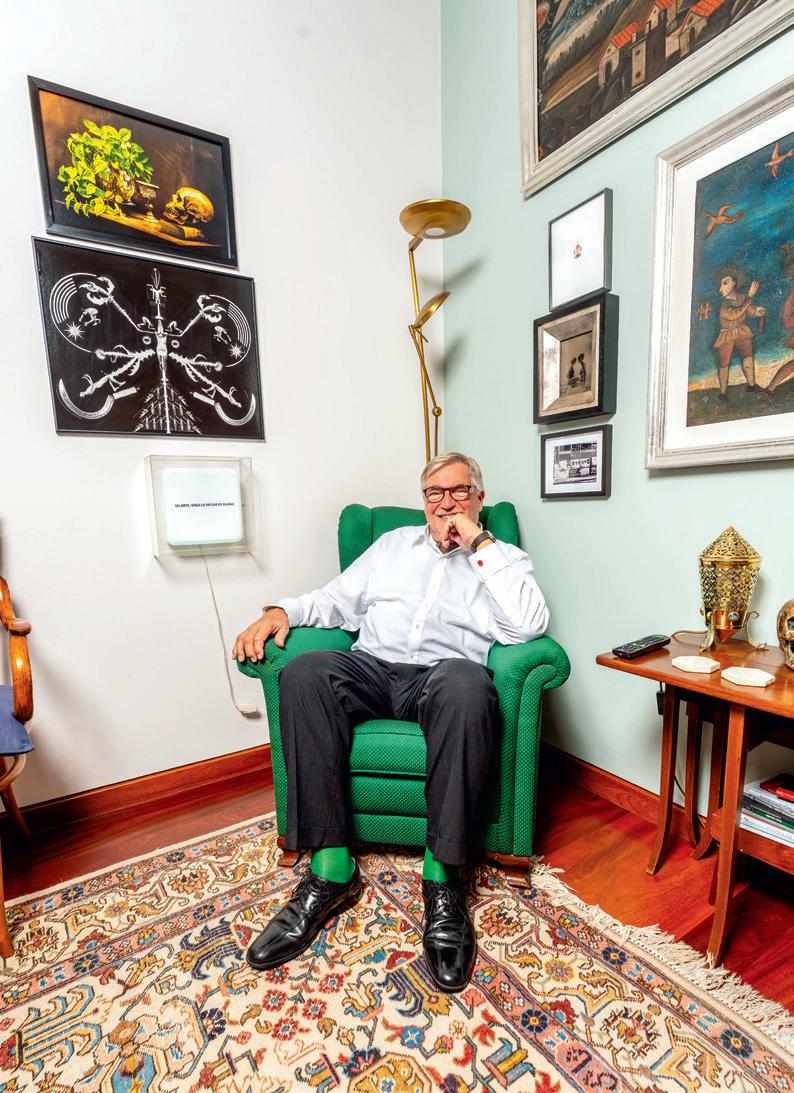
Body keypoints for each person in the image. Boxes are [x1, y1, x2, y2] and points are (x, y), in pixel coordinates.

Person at [232, 452, 549, 992]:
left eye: (459, 491)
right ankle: (331, 869)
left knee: (469, 685)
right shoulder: (392, 545)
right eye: (434, 493)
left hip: (444, 677)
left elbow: (527, 626)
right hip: (374, 668)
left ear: (478, 498)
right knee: (306, 672)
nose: (446, 503)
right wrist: (280, 611)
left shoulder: (503, 558)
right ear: (423, 501)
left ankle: (443, 877)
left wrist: (479, 545)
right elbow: (335, 601)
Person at [711, 265, 766, 400]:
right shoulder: (724, 305)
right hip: (727, 335)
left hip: (741, 332)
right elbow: (735, 314)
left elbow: (748, 311)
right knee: (724, 364)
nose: (721, 288)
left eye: (725, 283)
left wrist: (757, 311)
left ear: (734, 283)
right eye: (721, 284)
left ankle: (751, 386)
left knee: (748, 357)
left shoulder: (742, 298)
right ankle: (722, 394)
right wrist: (750, 297)